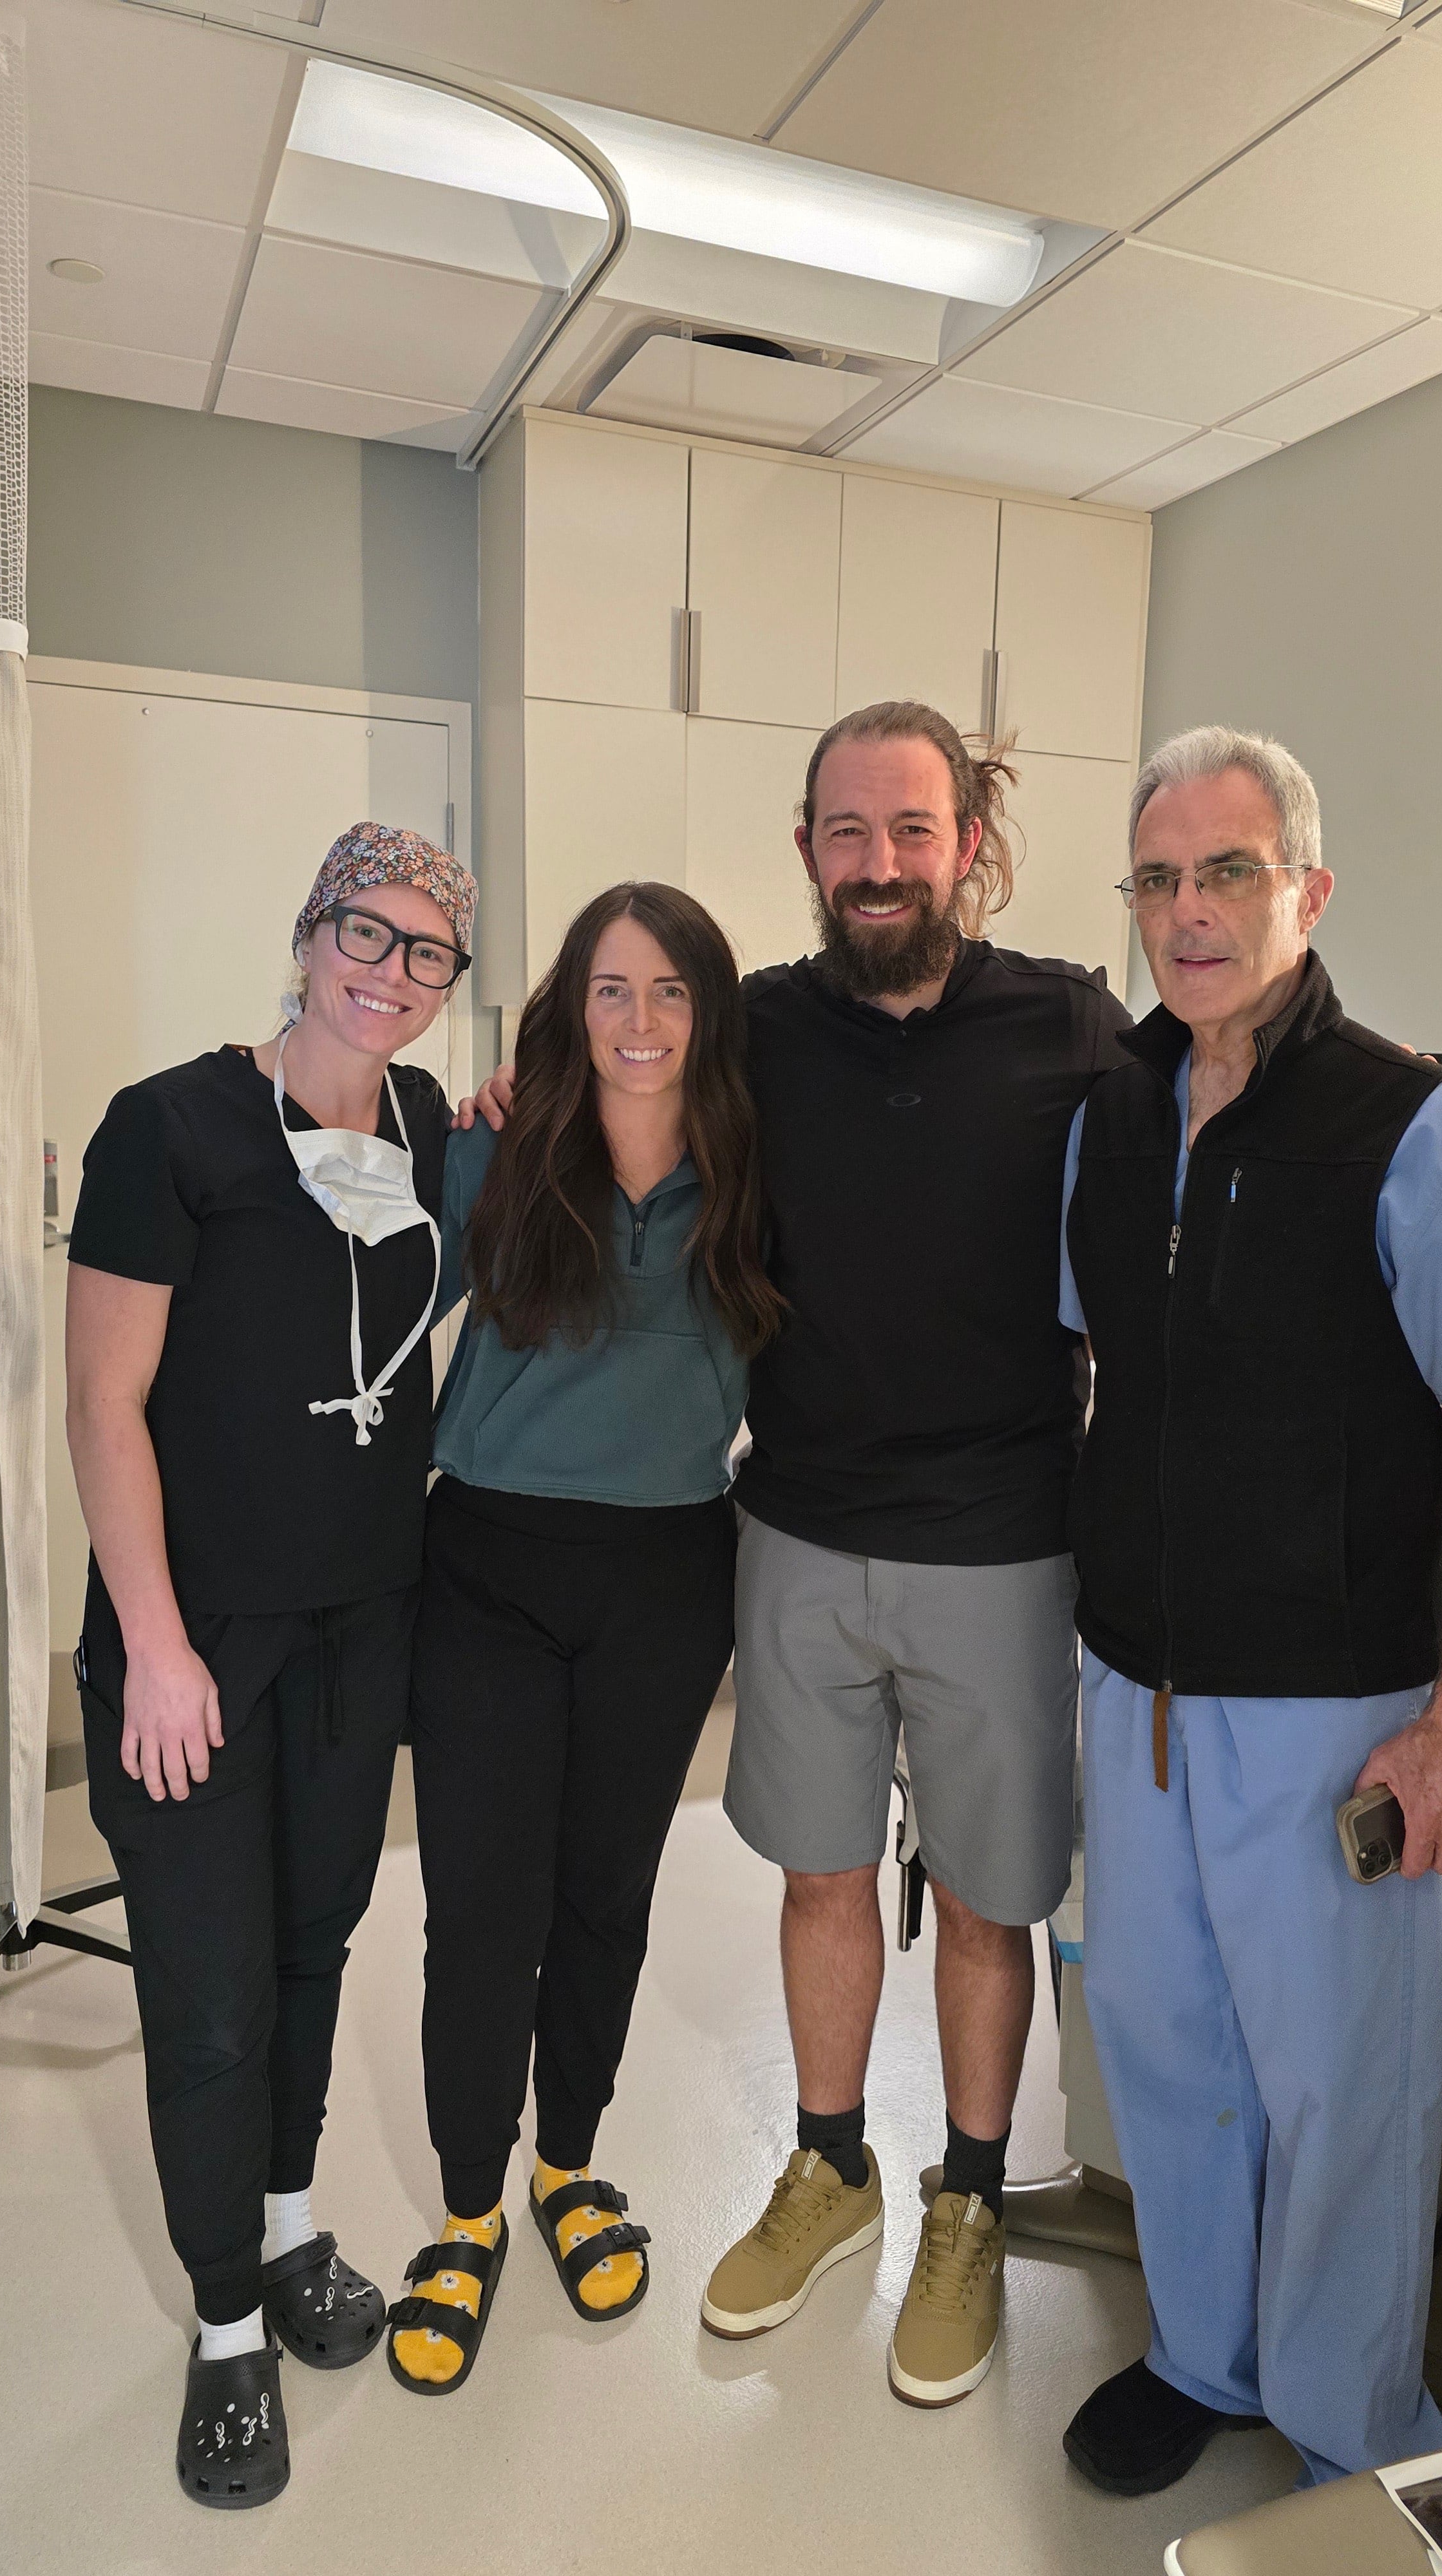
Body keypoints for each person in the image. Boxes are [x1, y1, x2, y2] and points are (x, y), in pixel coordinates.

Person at [464, 701, 1132, 2408]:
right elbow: (617, 1085)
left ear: (969, 838)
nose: (881, 862)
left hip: (1002, 1544)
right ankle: (832, 2163)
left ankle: (967, 2200)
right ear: (807, 849)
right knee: (821, 1874)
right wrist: (516, 1089)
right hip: (800, 1530)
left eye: (912, 828)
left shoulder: (1071, 1024)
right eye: (849, 831)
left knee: (985, 1898)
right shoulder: (753, 1029)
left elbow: (1188, 1165)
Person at [1058, 728, 1442, 2494]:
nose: (1189, 910)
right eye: (1159, 878)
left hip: (1331, 1705)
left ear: (1309, 892)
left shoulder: (1419, 1129)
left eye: (1230, 871)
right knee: (1162, 2038)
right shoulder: (1115, 1116)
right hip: (1135, 1686)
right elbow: (1099, 1373)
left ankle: (1351, 2420)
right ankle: (1204, 2353)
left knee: (1340, 2081)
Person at [66, 822, 473, 2509]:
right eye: (365, 934)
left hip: (363, 1622)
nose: (390, 973)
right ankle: (226, 2319)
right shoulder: (172, 1128)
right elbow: (103, 1407)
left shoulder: (430, 1126)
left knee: (315, 1944)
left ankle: (290, 2224)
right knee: (214, 1992)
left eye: (427, 952)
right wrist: (158, 1648)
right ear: (309, 935)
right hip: (201, 1645)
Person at [385, 881, 781, 2394]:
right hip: (489, 1565)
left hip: (666, 1576)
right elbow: (362, 1292)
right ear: (570, 1005)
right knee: (484, 1906)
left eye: (670, 989)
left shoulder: (752, 1170)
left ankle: (567, 2163)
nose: (639, 1019)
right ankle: (467, 2209)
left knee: (607, 1893)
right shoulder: (496, 1150)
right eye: (611, 988)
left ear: (709, 1011)